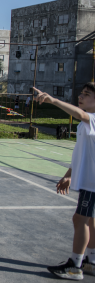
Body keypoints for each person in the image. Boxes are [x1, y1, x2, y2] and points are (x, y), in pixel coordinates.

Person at [35, 85, 95, 280]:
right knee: (91, 221)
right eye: (81, 93)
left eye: (87, 95)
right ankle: (90, 262)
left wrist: (53, 100)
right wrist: (69, 173)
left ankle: (75, 266)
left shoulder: (91, 119)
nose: (81, 97)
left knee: (80, 219)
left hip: (92, 183)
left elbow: (80, 114)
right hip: (88, 179)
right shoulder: (86, 124)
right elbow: (82, 152)